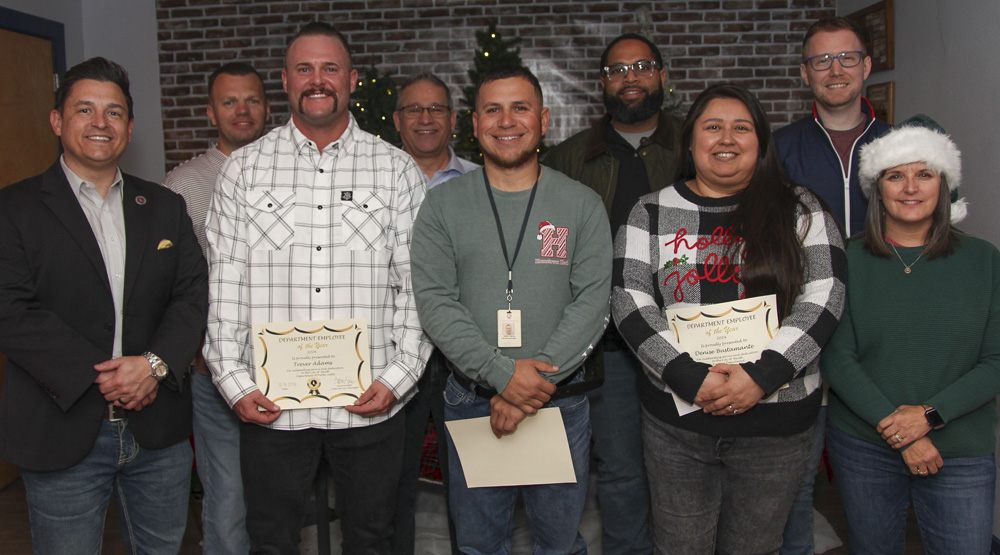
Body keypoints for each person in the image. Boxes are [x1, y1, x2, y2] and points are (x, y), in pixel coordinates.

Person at [203, 22, 432, 554]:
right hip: (271, 405)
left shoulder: (395, 169)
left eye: (330, 68)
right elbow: (225, 282)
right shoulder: (244, 171)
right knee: (272, 541)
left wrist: (399, 377)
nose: (317, 80)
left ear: (351, 80)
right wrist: (234, 382)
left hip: (371, 400)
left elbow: (417, 285)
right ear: (285, 81)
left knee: (373, 538)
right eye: (304, 69)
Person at [612, 84, 846, 555]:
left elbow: (824, 298)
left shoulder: (802, 209)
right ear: (691, 140)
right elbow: (629, 301)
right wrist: (686, 375)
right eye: (712, 126)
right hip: (678, 423)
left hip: (775, 421)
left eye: (742, 127)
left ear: (760, 142)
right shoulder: (651, 212)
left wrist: (762, 376)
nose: (727, 138)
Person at [0, 57, 208, 553]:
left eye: (114, 113)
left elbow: (193, 293)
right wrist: (109, 377)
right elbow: (11, 310)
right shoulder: (13, 209)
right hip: (61, 428)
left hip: (159, 428)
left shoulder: (164, 206)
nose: (100, 123)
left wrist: (152, 367)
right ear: (57, 120)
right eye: (85, 110)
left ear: (130, 128)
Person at [411, 65, 612, 554]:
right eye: (493, 110)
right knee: (479, 546)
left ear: (543, 120)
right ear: (475, 124)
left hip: (559, 400)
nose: (507, 121)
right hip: (471, 399)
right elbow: (435, 302)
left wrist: (526, 386)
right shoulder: (441, 207)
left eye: (520, 108)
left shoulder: (581, 204)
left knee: (560, 544)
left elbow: (592, 301)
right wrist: (502, 375)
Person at [821, 117, 997, 554]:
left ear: (945, 185)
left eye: (924, 174)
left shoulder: (984, 260)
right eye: (895, 175)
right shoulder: (845, 258)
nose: (910, 187)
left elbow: (995, 360)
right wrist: (904, 433)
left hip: (959, 447)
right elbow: (837, 356)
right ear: (877, 188)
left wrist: (929, 418)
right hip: (865, 444)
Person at [543, 32, 681, 555]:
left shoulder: (695, 146)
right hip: (610, 347)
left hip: (691, 339)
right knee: (622, 471)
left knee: (689, 466)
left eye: (643, 66)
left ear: (662, 76)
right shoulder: (566, 160)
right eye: (617, 70)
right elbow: (550, 251)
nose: (631, 78)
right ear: (602, 84)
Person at [773, 18, 892, 553]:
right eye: (822, 60)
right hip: (803, 324)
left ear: (867, 66)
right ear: (805, 74)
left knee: (880, 472)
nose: (836, 69)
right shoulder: (779, 149)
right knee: (797, 481)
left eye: (847, 57)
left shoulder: (902, 146)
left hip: (884, 328)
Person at [161, 61, 269, 555]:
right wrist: (193, 352)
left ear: (268, 108)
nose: (242, 111)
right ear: (211, 112)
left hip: (294, 363)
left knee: (284, 497)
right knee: (228, 499)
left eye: (251, 100)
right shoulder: (181, 187)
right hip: (216, 371)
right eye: (229, 101)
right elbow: (170, 285)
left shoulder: (291, 172)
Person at [390, 72, 477, 555]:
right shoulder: (377, 180)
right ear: (398, 120)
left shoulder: (479, 184)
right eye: (414, 109)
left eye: (436, 109)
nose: (426, 118)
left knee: (471, 477)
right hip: (392, 352)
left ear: (453, 120)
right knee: (394, 479)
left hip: (462, 353)